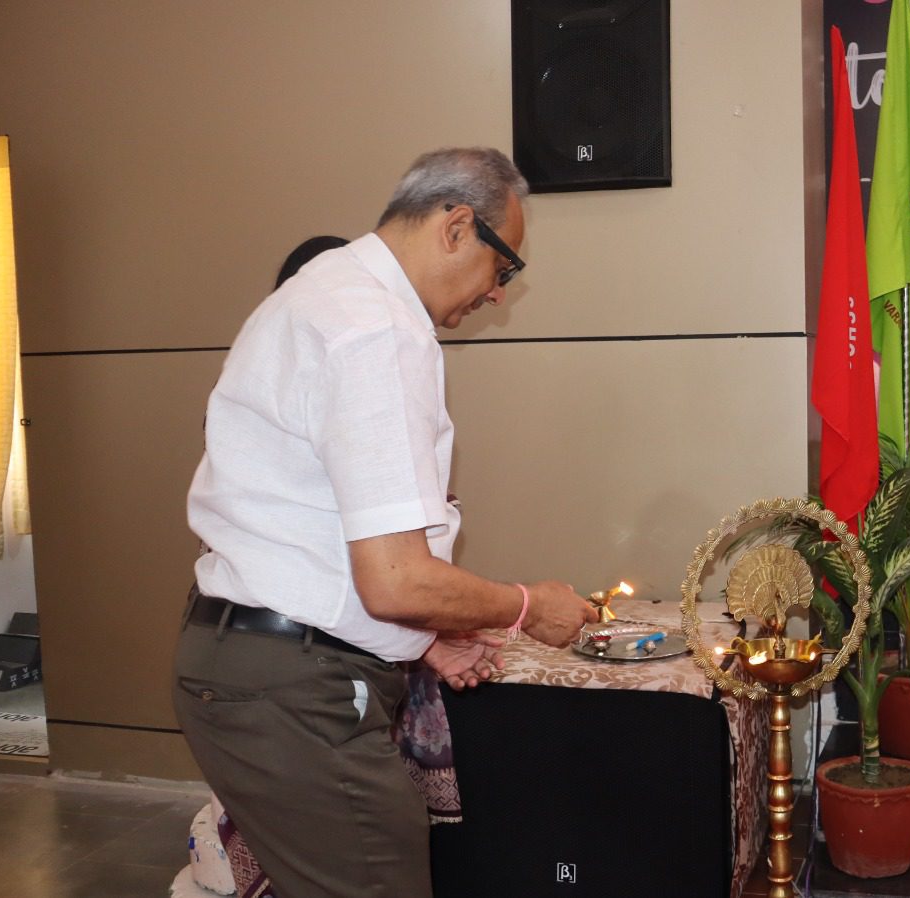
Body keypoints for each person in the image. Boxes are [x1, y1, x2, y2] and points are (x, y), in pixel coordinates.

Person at [173, 147, 598, 898]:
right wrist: (530, 607)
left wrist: (422, 639)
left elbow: (315, 527)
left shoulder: (324, 295)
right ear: (456, 226)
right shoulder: (376, 327)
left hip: (251, 662)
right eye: (504, 269)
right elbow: (396, 579)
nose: (498, 295)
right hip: (294, 688)